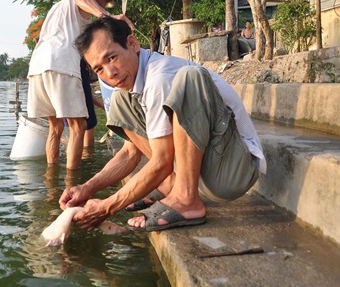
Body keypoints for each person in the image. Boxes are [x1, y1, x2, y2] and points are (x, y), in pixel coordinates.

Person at [59, 18, 266, 231]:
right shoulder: (135, 85)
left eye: (112, 58)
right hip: (209, 166)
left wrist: (107, 206)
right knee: (121, 100)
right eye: (100, 69)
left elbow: (162, 161)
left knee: (190, 78)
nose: (110, 73)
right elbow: (130, 153)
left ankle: (186, 198)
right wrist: (87, 188)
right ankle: (172, 185)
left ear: (132, 44)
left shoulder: (159, 77)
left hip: (234, 170)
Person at [27, 0, 132, 170]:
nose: (104, 4)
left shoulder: (59, 8)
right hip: (61, 63)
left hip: (38, 65)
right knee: (78, 127)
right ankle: (71, 183)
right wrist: (106, 16)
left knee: (55, 128)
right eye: (106, 1)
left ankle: (52, 179)